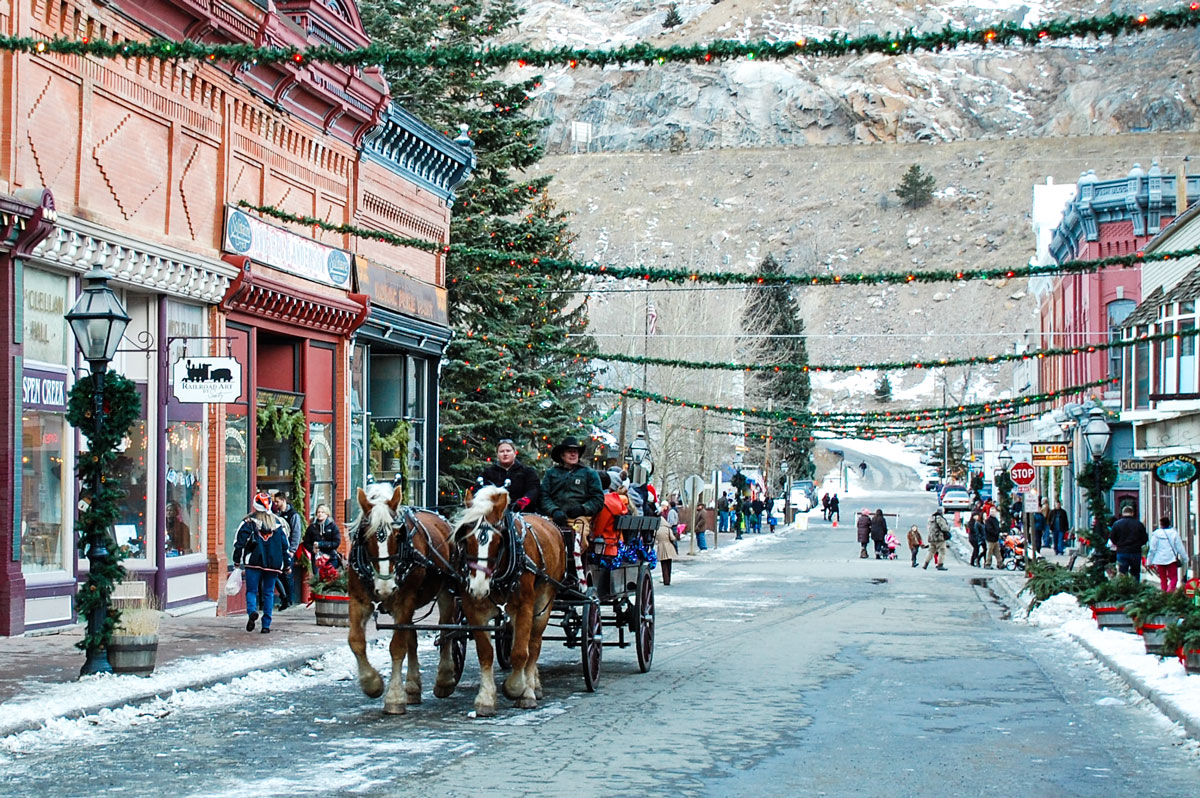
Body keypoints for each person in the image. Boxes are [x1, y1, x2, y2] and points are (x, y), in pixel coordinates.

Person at [540, 436, 605, 586]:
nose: (573, 454)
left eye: (575, 452)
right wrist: (554, 510)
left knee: (578, 537)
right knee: (540, 537)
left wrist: (582, 509)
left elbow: (598, 499)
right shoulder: (551, 474)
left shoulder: (589, 474)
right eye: (569, 452)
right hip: (553, 518)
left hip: (579, 519)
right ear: (562, 455)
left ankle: (574, 572)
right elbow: (544, 496)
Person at [233, 492, 290, 634]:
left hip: (253, 561)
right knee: (269, 593)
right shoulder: (277, 523)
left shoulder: (248, 522)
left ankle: (252, 611)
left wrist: (236, 561)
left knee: (251, 591)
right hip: (273, 563)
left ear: (254, 505)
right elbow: (285, 546)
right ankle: (266, 625)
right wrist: (287, 564)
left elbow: (239, 543)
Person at [477, 438, 541, 512]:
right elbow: (478, 489)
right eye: (501, 451)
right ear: (497, 454)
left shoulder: (527, 471)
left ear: (514, 453)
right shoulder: (487, 473)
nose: (505, 454)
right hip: (493, 513)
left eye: (508, 451)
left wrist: (525, 500)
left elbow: (534, 489)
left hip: (522, 512)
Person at [272, 491, 304, 609]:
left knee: (287, 574)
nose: (275, 504)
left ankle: (289, 599)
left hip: (287, 550)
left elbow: (296, 532)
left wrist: (292, 550)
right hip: (278, 550)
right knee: (280, 575)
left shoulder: (293, 515)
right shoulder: (276, 514)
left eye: (277, 501)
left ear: (283, 500)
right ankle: (284, 598)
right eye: (274, 502)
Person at [1147, 515, 1188, 592]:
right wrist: (1185, 558)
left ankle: (1164, 594)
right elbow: (1180, 547)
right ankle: (1169, 592)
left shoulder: (1155, 535)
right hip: (1171, 559)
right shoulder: (1174, 534)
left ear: (1160, 524)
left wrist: (1149, 561)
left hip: (1159, 559)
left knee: (1163, 579)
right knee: (1174, 578)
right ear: (1169, 524)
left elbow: (1152, 550)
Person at [1110, 505, 1149, 581]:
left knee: (1122, 573)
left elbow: (1112, 537)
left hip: (1122, 551)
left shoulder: (1117, 524)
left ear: (1122, 513)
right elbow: (1144, 538)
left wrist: (1118, 544)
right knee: (1135, 573)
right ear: (1132, 513)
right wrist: (1138, 544)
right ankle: (1135, 589)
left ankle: (1123, 589)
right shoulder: (1138, 524)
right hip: (1135, 551)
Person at [303, 503, 342, 570]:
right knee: (317, 578)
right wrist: (312, 549)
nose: (320, 514)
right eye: (318, 512)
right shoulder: (312, 527)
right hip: (317, 558)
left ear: (327, 514)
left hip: (331, 557)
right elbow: (306, 542)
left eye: (322, 512)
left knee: (330, 578)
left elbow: (336, 542)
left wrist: (321, 544)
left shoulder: (333, 526)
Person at [654, 512, 677, 586]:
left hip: (661, 547)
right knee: (669, 564)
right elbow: (672, 538)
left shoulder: (656, 529)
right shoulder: (668, 529)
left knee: (663, 565)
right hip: (668, 547)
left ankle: (665, 579)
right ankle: (669, 579)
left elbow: (655, 540)